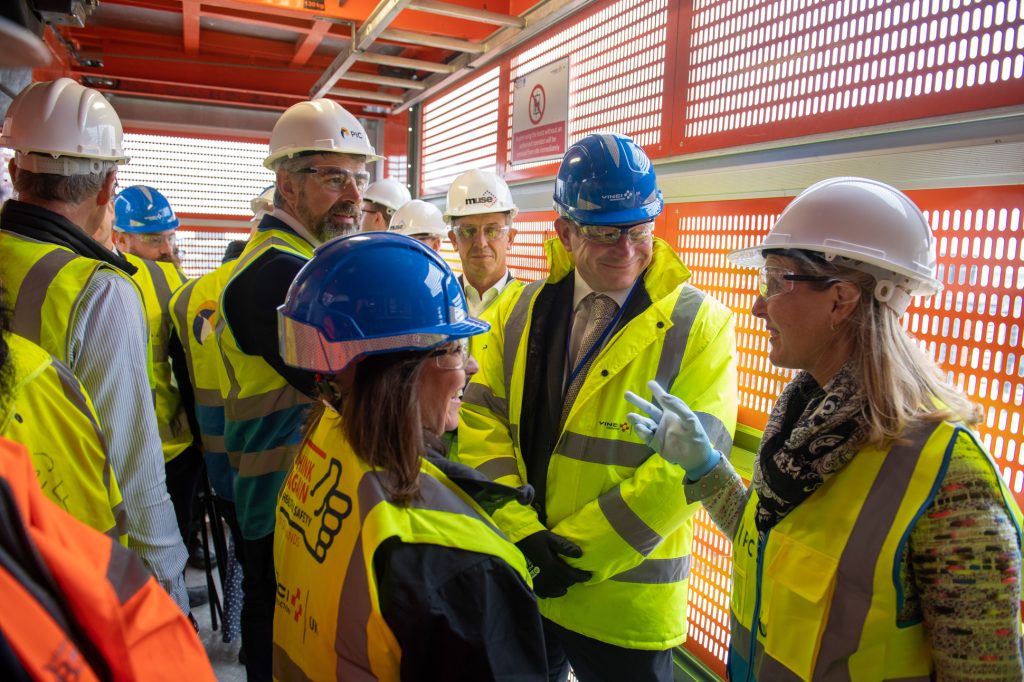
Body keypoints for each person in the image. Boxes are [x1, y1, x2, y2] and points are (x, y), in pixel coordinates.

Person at [627, 177, 1024, 680]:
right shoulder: (807, 425)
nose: (757, 305)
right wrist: (704, 467)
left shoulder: (950, 483)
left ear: (840, 300)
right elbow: (771, 544)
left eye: (775, 282)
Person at [458, 132, 738, 681]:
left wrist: (572, 555)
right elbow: (481, 416)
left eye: (640, 229)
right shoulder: (523, 310)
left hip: (624, 606)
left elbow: (684, 472)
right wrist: (521, 532)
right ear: (564, 232)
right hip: (527, 573)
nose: (627, 248)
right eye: (606, 232)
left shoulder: (699, 325)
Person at [272, 231, 547, 680]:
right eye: (455, 350)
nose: (471, 367)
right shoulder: (462, 565)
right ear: (401, 374)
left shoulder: (324, 446)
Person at [0, 77, 189, 613]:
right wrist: (166, 576)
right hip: (70, 558)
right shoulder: (99, 289)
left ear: (16, 172)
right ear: (109, 188)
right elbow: (132, 458)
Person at [217, 97, 379, 681]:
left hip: (300, 496)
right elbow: (355, 385)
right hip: (280, 498)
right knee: (279, 643)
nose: (355, 196)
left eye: (359, 178)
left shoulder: (303, 264)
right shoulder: (278, 277)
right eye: (333, 177)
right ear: (286, 185)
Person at [113, 185, 201, 574]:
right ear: (120, 238)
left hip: (144, 444)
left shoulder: (103, 277)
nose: (166, 249)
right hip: (164, 443)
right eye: (153, 240)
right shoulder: (163, 280)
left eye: (170, 237)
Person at [444, 169, 522, 316]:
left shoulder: (530, 306)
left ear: (510, 238)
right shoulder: (437, 304)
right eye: (468, 231)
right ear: (454, 240)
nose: (481, 243)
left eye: (492, 231)